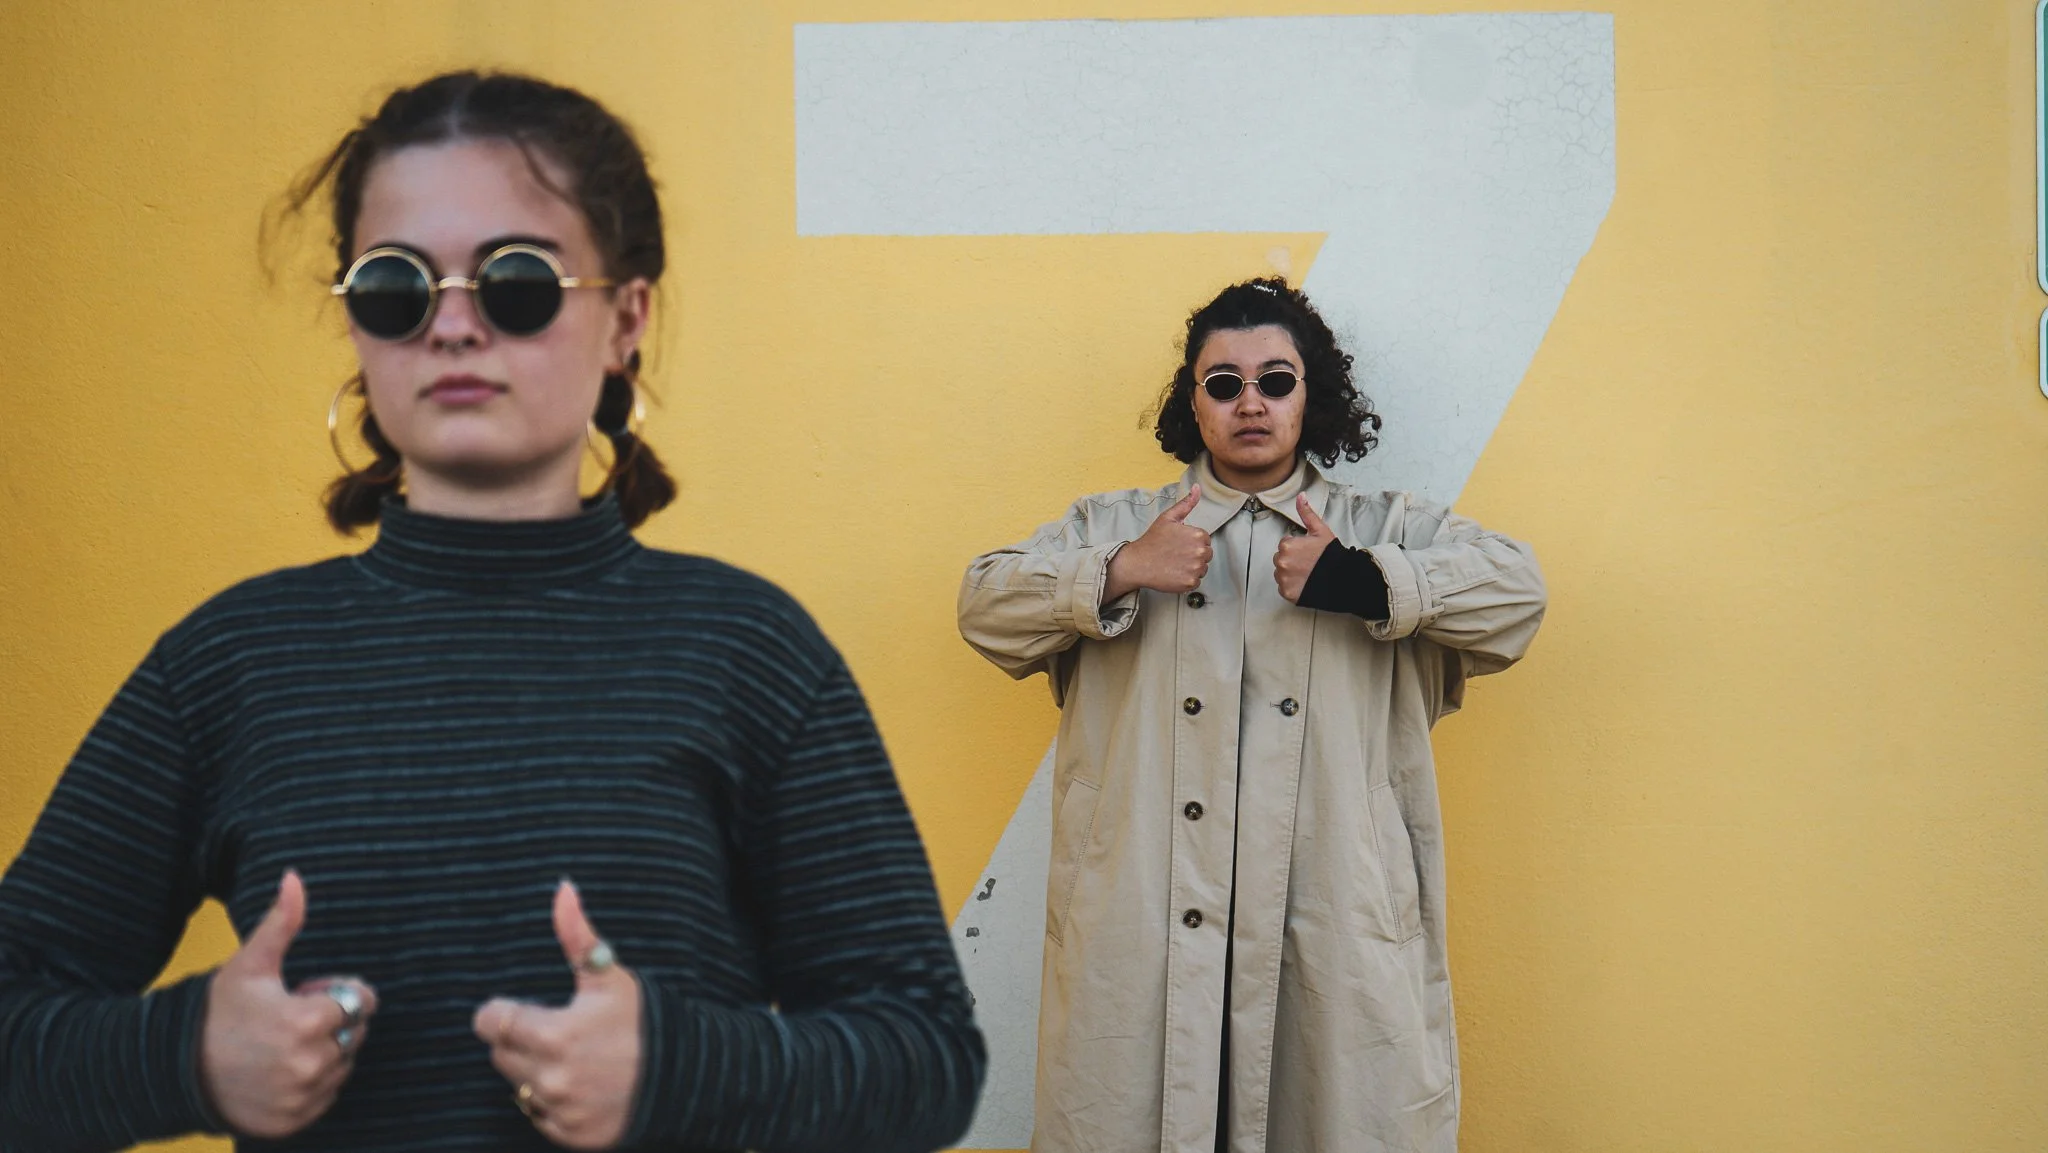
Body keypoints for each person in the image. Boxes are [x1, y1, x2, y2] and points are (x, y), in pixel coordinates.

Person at [0, 71, 984, 1152]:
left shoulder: (746, 649)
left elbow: (925, 1055)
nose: (454, 325)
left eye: (516, 280)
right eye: (396, 285)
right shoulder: (231, 663)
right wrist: (182, 1058)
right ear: (357, 329)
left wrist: (683, 1068)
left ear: (627, 318)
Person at [957, 278, 1545, 1153]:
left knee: (1337, 1115)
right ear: (1192, 403)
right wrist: (1118, 569)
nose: (1251, 403)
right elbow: (983, 601)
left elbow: (1518, 594)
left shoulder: (1383, 529)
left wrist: (1359, 578)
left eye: (1276, 379)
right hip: (1141, 928)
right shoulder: (1115, 525)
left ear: (1313, 394)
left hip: (1336, 927)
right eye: (1223, 383)